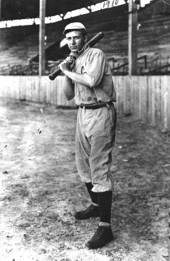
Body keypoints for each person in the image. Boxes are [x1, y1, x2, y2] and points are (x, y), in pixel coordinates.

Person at [58, 22, 117, 249]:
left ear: (85, 38)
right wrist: (67, 73)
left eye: (76, 37)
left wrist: (66, 70)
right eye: (69, 39)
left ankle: (105, 228)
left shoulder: (96, 54)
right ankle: (95, 204)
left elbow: (92, 81)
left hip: (100, 112)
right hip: (82, 113)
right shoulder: (73, 61)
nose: (72, 42)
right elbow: (68, 96)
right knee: (83, 165)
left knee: (98, 167)